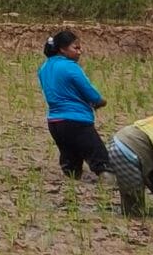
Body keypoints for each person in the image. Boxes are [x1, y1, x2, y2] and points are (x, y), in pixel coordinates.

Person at [38, 29, 110, 182]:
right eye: (75, 48)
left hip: (55, 123)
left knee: (71, 165)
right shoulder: (70, 67)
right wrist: (100, 101)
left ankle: (74, 183)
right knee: (101, 160)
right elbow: (90, 92)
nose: (79, 51)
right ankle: (108, 183)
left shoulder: (43, 68)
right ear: (62, 49)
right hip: (77, 121)